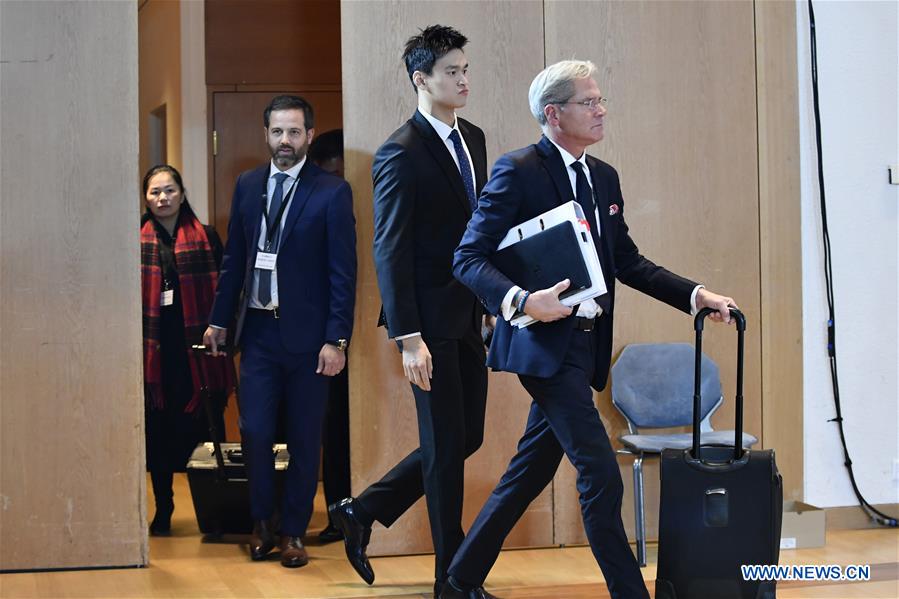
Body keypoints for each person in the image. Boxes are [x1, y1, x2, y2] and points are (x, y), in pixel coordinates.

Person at [441, 60, 738, 599]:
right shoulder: (518, 170)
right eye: (589, 102)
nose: (601, 110)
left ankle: (458, 581)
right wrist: (523, 298)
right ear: (554, 114)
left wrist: (696, 295)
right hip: (542, 346)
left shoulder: (603, 177)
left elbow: (627, 260)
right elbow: (467, 256)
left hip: (585, 347)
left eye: (601, 101)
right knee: (600, 474)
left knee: (528, 473)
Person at [329, 25, 490, 596]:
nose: (463, 79)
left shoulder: (473, 138)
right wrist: (408, 338)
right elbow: (389, 249)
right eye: (452, 71)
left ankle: (364, 509)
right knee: (446, 450)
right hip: (426, 325)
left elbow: (478, 232)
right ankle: (453, 580)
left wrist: (490, 300)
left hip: (469, 314)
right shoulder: (400, 151)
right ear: (421, 79)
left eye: (466, 69)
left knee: (465, 436)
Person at [203, 95, 357, 568]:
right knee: (255, 432)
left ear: (309, 135)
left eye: (293, 132)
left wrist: (338, 340)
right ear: (266, 135)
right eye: (276, 132)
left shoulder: (332, 191)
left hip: (311, 342)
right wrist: (218, 319)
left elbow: (342, 274)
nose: (284, 141)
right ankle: (262, 523)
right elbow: (235, 263)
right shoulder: (248, 186)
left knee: (306, 437)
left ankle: (293, 531)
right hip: (259, 337)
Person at [140, 164, 233, 536]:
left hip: (198, 354)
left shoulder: (206, 237)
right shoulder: (135, 239)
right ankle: (163, 510)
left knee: (205, 433)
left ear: (182, 193)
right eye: (154, 192)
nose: (162, 198)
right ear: (145, 198)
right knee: (158, 437)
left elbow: (226, 292)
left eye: (169, 191)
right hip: (155, 358)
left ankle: (215, 513)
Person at [308, 129, 350, 543]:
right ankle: (338, 514)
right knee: (332, 430)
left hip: (367, 333)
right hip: (323, 336)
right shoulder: (314, 204)